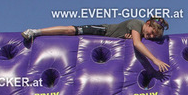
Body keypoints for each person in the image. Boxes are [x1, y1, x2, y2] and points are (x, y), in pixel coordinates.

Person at [22, 18, 170, 72]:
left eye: (154, 37)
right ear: (148, 23)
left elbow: (133, 40)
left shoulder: (140, 33)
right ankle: (35, 31)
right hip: (103, 31)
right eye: (151, 32)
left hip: (105, 44)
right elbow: (137, 43)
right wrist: (155, 60)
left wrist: (127, 38)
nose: (151, 36)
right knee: (71, 30)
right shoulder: (137, 23)